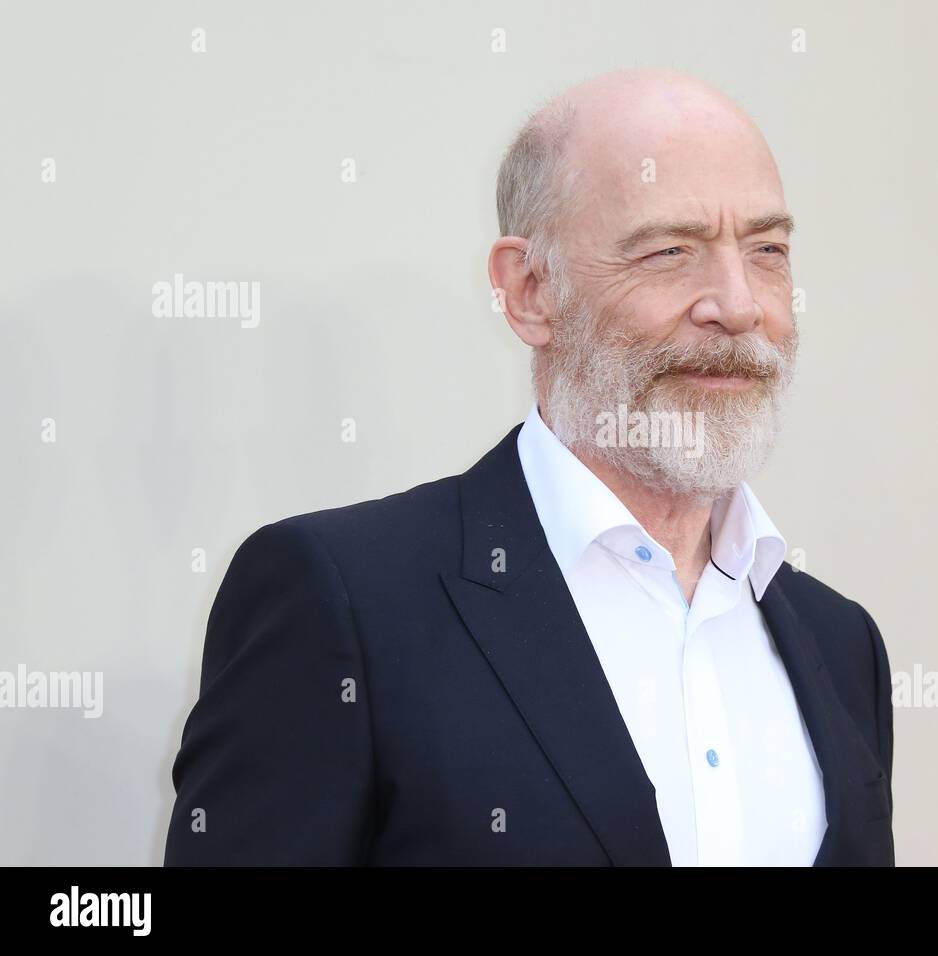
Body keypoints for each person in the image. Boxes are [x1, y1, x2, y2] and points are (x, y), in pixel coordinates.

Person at [164, 68, 894, 866]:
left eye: (767, 251)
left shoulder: (841, 645)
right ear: (531, 291)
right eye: (671, 251)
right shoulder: (344, 602)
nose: (738, 304)